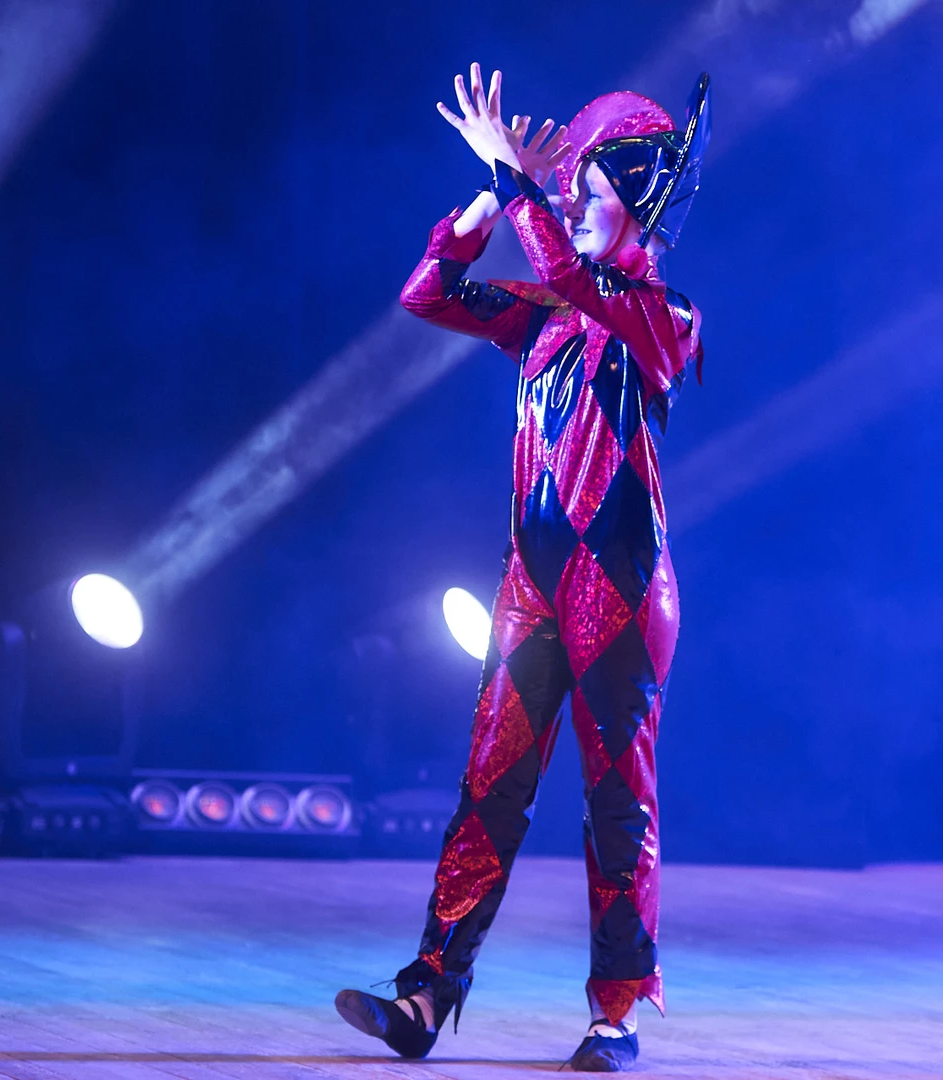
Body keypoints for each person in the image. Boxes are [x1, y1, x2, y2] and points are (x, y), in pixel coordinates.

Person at [335, 63, 710, 1073]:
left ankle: (616, 1015)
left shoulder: (663, 318)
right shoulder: (544, 315)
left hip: (620, 586)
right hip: (532, 585)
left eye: (590, 191)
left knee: (615, 805)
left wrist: (517, 182)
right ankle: (426, 992)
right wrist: (489, 188)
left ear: (638, 203)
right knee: (487, 790)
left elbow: (584, 278)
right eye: (569, 191)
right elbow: (427, 290)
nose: (573, 205)